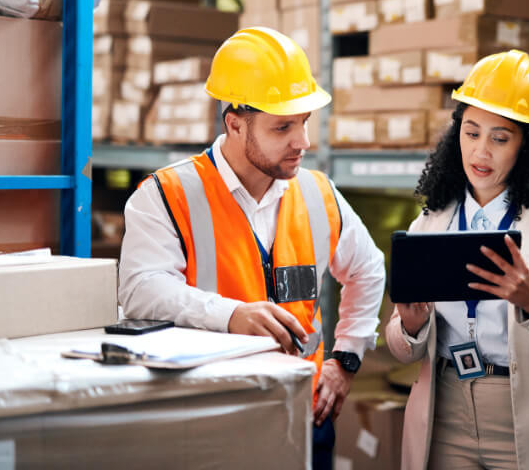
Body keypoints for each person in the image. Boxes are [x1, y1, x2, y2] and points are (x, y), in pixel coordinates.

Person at [118, 27, 386, 469]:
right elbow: (141, 289)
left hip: (303, 414)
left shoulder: (319, 195)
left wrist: (346, 360)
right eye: (283, 126)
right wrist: (231, 315)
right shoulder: (166, 194)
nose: (302, 142)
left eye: (303, 122)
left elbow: (368, 269)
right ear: (235, 123)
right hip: (210, 418)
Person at [385, 50, 529, 469]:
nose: (480, 152)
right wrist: (411, 327)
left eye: (499, 138)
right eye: (471, 133)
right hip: (446, 414)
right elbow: (400, 346)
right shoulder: (431, 223)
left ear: (527, 145)